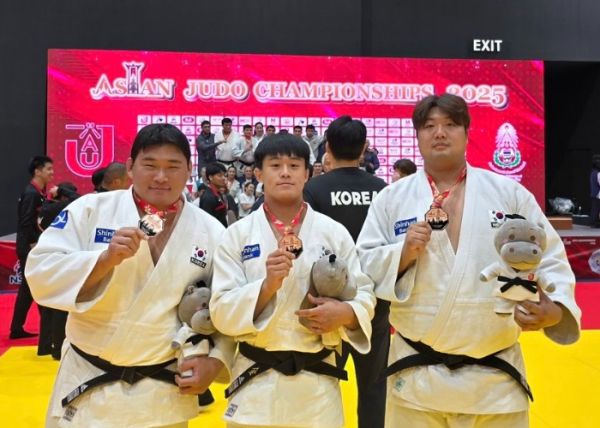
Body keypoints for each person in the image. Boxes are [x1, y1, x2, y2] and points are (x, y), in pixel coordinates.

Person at [357, 94, 581, 427]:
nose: (439, 133)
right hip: (418, 382)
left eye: (450, 124)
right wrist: (402, 254)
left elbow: (548, 256)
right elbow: (364, 266)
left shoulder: (507, 193)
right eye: (429, 126)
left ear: (467, 132)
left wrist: (556, 309)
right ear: (418, 135)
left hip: (494, 383)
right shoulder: (392, 198)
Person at [26, 124, 233, 427]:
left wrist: (215, 360)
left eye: (172, 166)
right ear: (130, 167)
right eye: (150, 165)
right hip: (89, 384)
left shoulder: (211, 230)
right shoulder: (90, 210)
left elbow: (226, 303)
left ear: (189, 170)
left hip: (162, 392)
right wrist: (103, 261)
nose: (161, 176)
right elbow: (40, 272)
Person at [210, 134, 376, 428]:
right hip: (254, 390)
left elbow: (364, 293)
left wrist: (346, 314)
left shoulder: (333, 232)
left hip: (317, 391)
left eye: (294, 165)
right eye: (275, 165)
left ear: (308, 174)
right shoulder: (237, 235)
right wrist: (266, 288)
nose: (285, 172)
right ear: (258, 173)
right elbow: (221, 310)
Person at [304, 116, 388, 428]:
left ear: (327, 147)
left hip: (326, 305)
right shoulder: (382, 190)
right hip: (374, 303)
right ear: (364, 148)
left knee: (321, 384)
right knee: (374, 388)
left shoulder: (313, 189)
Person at [9, 155, 54, 340]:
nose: (52, 173)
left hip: (30, 245)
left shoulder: (38, 193)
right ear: (37, 171)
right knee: (34, 286)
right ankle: (47, 329)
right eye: (48, 169)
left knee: (29, 288)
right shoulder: (31, 193)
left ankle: (19, 328)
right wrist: (33, 244)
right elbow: (26, 221)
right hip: (29, 247)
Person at [37, 182, 80, 360]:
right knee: (61, 309)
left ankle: (45, 346)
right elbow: (77, 199)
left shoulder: (46, 208)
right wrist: (62, 191)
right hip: (62, 258)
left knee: (47, 308)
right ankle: (58, 349)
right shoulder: (67, 208)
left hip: (47, 258)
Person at [199, 162, 229, 228]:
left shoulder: (218, 193)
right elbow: (207, 223)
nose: (224, 178)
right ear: (210, 177)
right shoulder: (208, 197)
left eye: (224, 175)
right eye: (220, 175)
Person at [590, 154, 600, 228]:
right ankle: (594, 222)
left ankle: (593, 222)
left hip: (594, 193)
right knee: (596, 209)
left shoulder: (593, 173)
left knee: (595, 208)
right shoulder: (598, 173)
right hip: (598, 194)